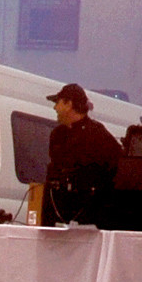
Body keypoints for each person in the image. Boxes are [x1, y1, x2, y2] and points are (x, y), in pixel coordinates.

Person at [40, 83, 122, 225]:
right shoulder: (57, 135)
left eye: (57, 103)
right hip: (59, 212)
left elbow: (118, 168)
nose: (54, 108)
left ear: (68, 104)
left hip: (89, 216)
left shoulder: (97, 134)